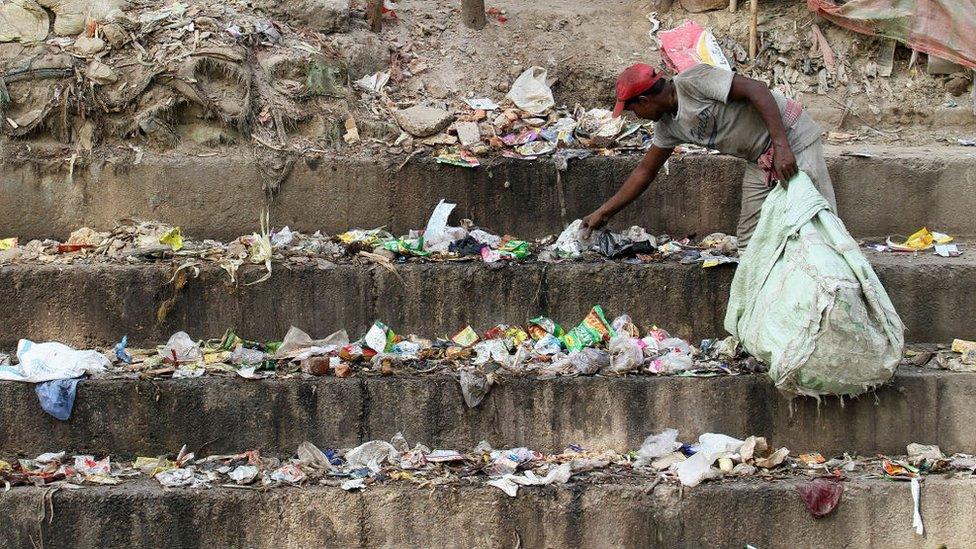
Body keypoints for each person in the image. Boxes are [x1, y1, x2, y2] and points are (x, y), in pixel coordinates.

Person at [581, 63, 837, 248]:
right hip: (759, 158)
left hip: (791, 138)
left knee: (817, 230)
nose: (637, 117)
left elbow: (757, 89)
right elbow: (645, 172)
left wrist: (782, 146)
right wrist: (604, 212)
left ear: (645, 100)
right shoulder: (667, 126)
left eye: (633, 110)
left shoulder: (693, 81)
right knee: (750, 242)